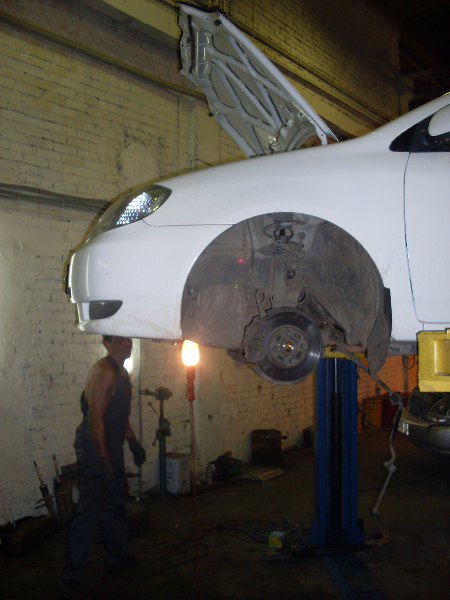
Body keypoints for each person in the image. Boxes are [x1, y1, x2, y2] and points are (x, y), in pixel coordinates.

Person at [61, 336, 146, 597]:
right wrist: (105, 459)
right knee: (89, 510)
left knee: (114, 504)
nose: (127, 344)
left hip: (111, 447)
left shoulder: (121, 372)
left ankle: (116, 559)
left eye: (128, 340)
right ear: (107, 344)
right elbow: (95, 420)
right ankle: (71, 576)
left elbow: (118, 415)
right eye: (120, 341)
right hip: (95, 449)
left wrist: (133, 442)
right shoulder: (104, 372)